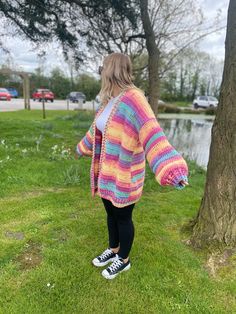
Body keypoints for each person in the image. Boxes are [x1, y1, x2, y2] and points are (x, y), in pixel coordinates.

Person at [75, 52, 189, 280]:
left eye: (103, 67)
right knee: (110, 214)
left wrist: (172, 169)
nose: (101, 71)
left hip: (126, 174)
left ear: (112, 70)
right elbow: (98, 128)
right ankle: (114, 250)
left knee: (123, 218)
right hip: (107, 173)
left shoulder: (134, 99)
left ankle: (123, 260)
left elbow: (152, 133)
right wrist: (83, 147)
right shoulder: (109, 100)